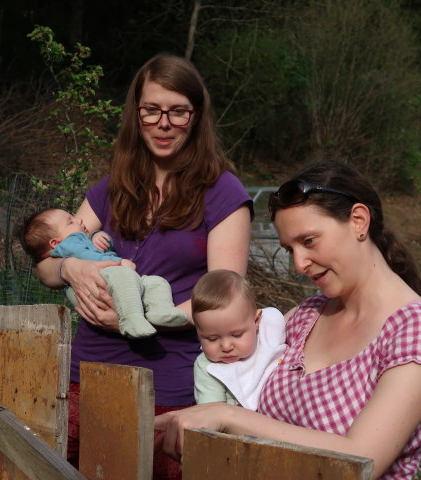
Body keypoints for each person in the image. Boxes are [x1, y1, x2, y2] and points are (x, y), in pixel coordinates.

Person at [155, 160, 421, 480]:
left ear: (358, 221)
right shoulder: (307, 315)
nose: (299, 264)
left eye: (309, 241)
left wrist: (226, 417)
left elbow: (362, 460)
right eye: (289, 249)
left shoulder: (417, 330)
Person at [34, 53, 253, 478]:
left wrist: (138, 319)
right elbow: (46, 264)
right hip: (87, 376)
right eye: (151, 110)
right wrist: (70, 270)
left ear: (197, 115)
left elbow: (222, 299)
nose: (163, 123)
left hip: (167, 383)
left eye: (177, 112)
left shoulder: (223, 192)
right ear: (136, 113)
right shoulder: (114, 186)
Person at [20, 207, 188, 338]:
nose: (78, 219)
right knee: (125, 276)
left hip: (109, 279)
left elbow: (94, 249)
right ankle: (132, 320)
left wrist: (96, 236)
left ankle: (161, 311)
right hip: (102, 279)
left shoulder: (77, 241)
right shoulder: (69, 245)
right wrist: (120, 264)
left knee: (156, 282)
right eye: (70, 222)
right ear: (55, 243)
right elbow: (88, 257)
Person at [192, 269, 286, 410]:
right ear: (199, 333)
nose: (226, 346)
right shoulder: (208, 368)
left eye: (236, 335)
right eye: (212, 339)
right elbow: (212, 414)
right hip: (237, 429)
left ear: (256, 321)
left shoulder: (269, 335)